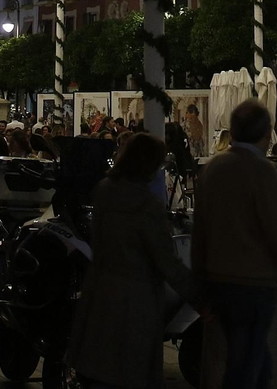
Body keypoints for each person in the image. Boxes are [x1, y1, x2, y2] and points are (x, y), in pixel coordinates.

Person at [64, 132, 201, 388]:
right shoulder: (147, 205)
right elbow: (166, 260)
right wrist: (200, 297)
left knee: (99, 371)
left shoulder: (105, 191)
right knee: (130, 373)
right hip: (135, 302)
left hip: (100, 293)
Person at [193, 101, 277, 389]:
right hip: (254, 284)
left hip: (218, 281)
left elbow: (200, 233)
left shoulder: (212, 169)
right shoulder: (263, 172)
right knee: (246, 363)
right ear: (267, 133)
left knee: (253, 359)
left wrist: (199, 289)